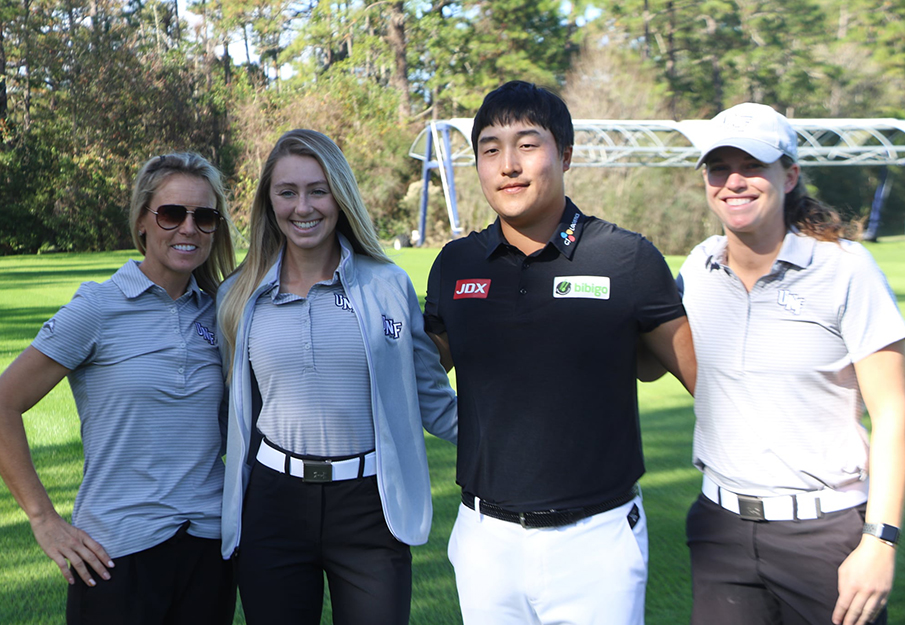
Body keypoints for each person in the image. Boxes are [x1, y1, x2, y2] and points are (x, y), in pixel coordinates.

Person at [423, 80, 696, 625]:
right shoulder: (456, 265)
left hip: (596, 542)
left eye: (528, 144)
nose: (508, 166)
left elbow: (705, 380)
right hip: (485, 542)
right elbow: (415, 374)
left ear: (565, 154)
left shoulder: (627, 259)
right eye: (490, 149)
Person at [216, 128, 457, 624]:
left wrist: (518, 445)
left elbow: (432, 398)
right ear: (270, 201)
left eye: (317, 190)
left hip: (371, 507)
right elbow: (225, 411)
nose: (303, 207)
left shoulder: (388, 285)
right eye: (288, 192)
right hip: (273, 506)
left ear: (340, 196)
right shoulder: (239, 297)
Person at [679, 102, 905, 625]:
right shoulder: (698, 267)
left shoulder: (846, 270)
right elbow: (657, 360)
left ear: (790, 173)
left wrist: (880, 541)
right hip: (720, 533)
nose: (734, 181)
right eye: (719, 168)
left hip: (826, 536)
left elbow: (893, 412)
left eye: (753, 165)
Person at [0, 152, 238, 624]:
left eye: (204, 216)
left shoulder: (222, 310)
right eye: (172, 214)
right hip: (116, 552)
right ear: (143, 222)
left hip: (209, 548)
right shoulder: (98, 307)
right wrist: (43, 518)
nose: (188, 228)